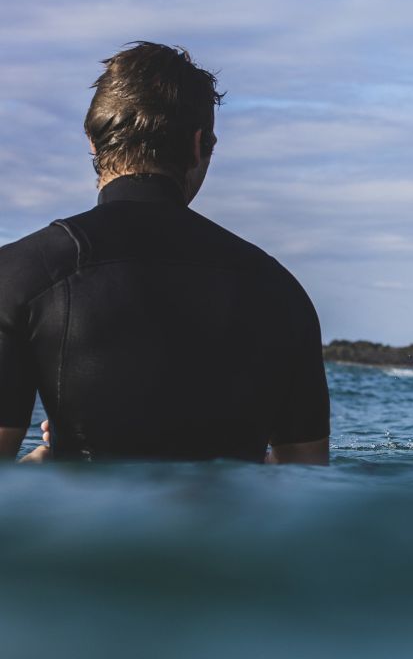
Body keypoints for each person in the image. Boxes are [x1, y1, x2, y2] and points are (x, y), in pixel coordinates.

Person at [0, 42, 330, 463]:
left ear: (92, 141)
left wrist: (43, 462)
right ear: (197, 145)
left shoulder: (18, 275)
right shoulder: (282, 293)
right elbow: (304, 481)